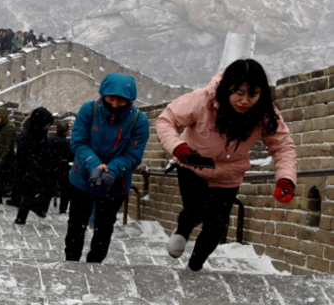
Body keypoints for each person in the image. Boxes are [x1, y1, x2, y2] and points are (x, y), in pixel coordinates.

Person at [156, 59, 297, 271]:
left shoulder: (265, 112)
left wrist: (286, 178)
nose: (245, 100)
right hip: (192, 165)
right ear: (226, 87)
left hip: (229, 174)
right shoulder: (203, 100)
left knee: (216, 225)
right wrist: (178, 147)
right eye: (238, 92)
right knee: (195, 211)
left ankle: (195, 266)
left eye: (253, 93)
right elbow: (166, 119)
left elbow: (282, 146)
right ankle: (183, 229)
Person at [65, 73, 149, 263]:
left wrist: (111, 170)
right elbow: (78, 142)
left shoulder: (139, 121)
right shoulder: (89, 110)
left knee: (104, 228)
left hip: (115, 185)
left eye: (121, 100)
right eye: (111, 99)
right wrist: (94, 164)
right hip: (82, 180)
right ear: (103, 95)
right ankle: (71, 262)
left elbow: (133, 155)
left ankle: (94, 265)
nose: (115, 105)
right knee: (76, 225)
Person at [13, 108, 62, 224]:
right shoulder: (26, 138)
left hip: (41, 167)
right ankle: (27, 214)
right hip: (28, 170)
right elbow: (22, 159)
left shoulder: (41, 133)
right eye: (46, 124)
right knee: (29, 194)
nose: (48, 126)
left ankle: (35, 209)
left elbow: (43, 150)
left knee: (50, 188)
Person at [48, 121, 75, 214]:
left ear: (56, 130)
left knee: (48, 187)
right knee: (65, 189)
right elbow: (72, 157)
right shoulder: (69, 143)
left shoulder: (49, 140)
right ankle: (62, 209)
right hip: (63, 167)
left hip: (50, 167)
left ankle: (43, 206)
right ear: (67, 132)